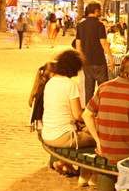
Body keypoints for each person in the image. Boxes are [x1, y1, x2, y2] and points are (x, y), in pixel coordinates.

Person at [41, 49, 95, 180]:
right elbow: (77, 115)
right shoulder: (71, 85)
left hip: (47, 133)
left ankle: (63, 162)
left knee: (84, 132)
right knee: (97, 138)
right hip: (63, 136)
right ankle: (88, 175)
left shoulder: (50, 82)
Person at [75, 1, 112, 101]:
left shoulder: (80, 25)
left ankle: (89, 110)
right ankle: (103, 108)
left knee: (89, 88)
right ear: (96, 11)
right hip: (99, 61)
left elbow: (78, 44)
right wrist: (111, 59)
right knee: (103, 88)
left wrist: (80, 60)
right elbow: (103, 43)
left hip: (86, 61)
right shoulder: (99, 25)